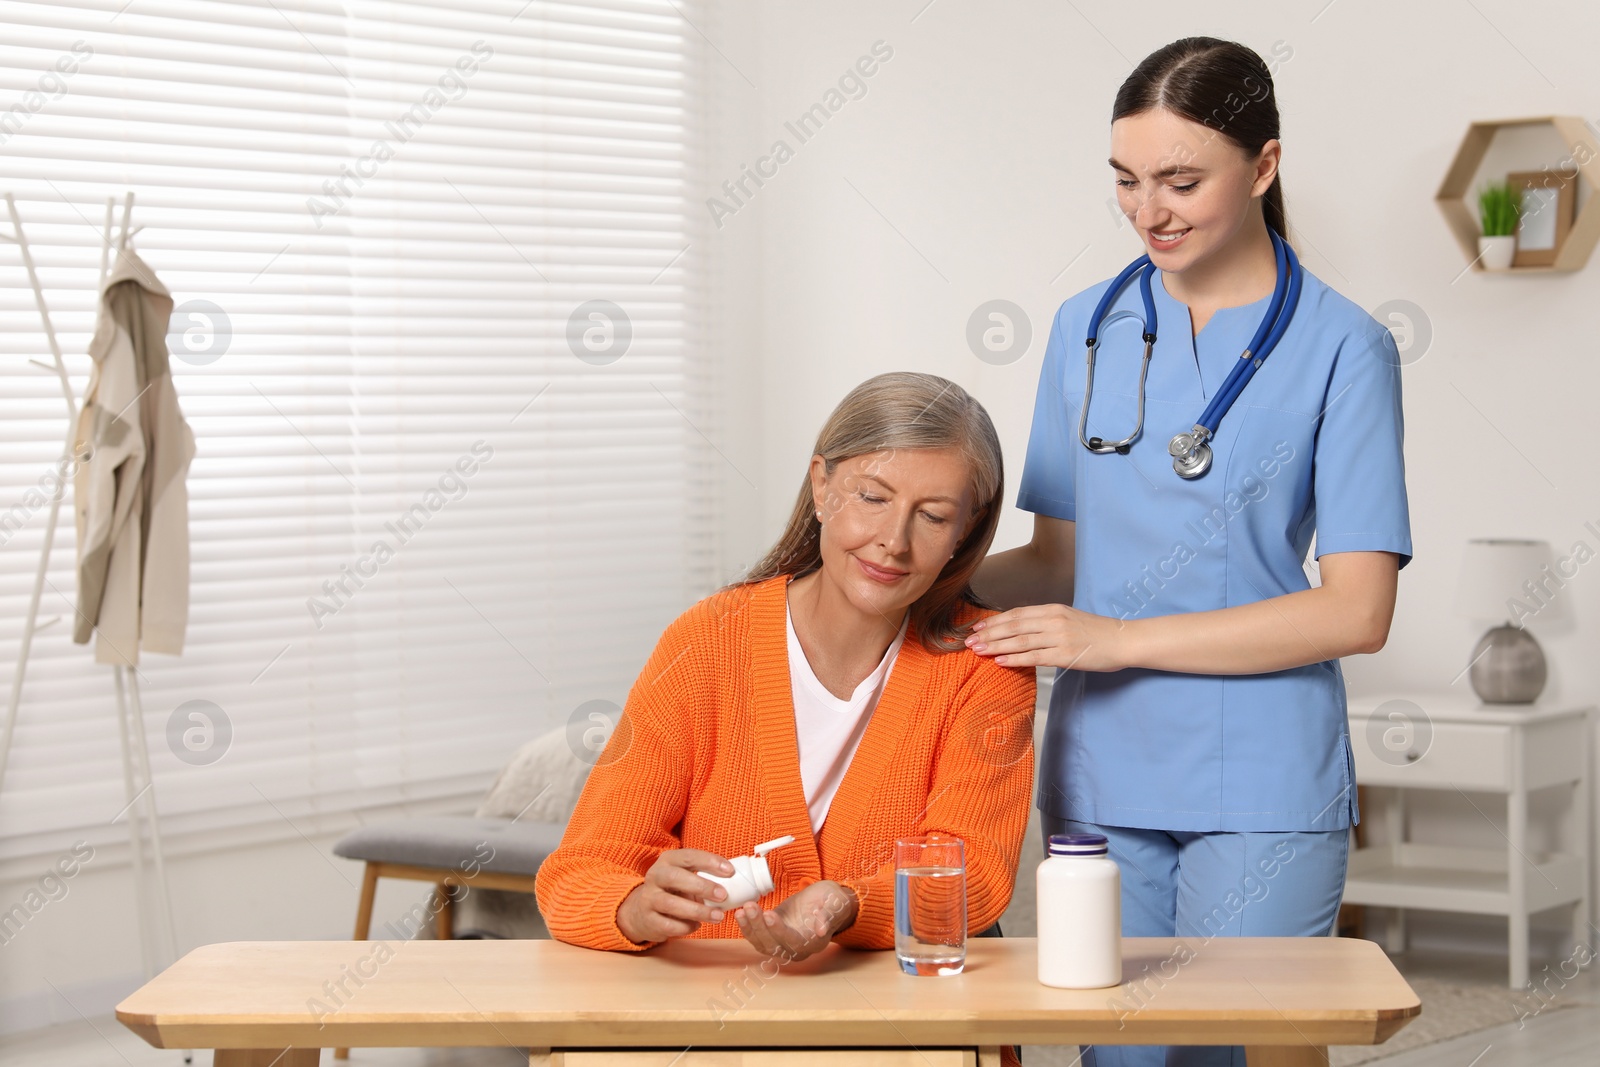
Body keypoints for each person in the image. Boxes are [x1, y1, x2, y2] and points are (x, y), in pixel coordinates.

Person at [971, 37, 1412, 1067]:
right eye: (1125, 181)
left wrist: (1116, 640)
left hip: (1258, 770)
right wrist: (896, 582)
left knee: (1246, 1047)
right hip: (1101, 770)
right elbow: (1056, 564)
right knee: (1116, 1056)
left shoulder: (1344, 345)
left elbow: (1356, 608)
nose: (1147, 209)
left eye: (1180, 180)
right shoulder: (1088, 327)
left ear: (1262, 166)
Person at [536, 372, 1036, 971]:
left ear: (966, 530)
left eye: (931, 516)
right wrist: (632, 907)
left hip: (906, 1025)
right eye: (872, 498)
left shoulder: (986, 668)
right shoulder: (707, 641)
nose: (892, 542)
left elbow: (971, 874)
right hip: (717, 1029)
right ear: (822, 487)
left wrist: (848, 905)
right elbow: (580, 869)